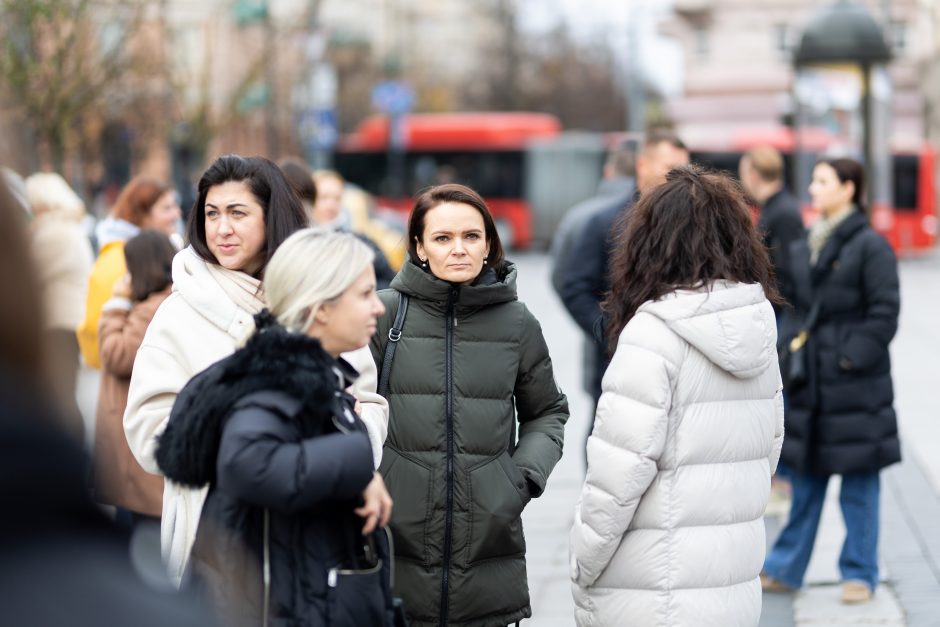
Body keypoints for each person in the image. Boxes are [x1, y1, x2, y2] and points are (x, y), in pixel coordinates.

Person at [123, 155, 390, 586]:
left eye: (237, 213)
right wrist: (254, 449)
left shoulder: (320, 297)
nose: (222, 228)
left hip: (317, 528)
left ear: (273, 215)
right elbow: (147, 430)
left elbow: (369, 401)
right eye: (211, 214)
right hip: (218, 538)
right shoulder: (179, 312)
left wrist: (349, 441)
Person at [569, 166, 785, 627]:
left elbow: (617, 475)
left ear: (650, 242)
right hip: (731, 582)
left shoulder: (653, 332)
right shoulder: (758, 325)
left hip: (651, 586)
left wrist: (582, 563)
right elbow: (770, 449)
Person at [0, 174, 216, 627]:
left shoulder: (145, 299)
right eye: (166, 207)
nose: (176, 213)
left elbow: (106, 347)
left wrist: (117, 308)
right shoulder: (118, 265)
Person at [156, 229, 396, 626]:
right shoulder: (278, 382)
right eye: (365, 294)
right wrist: (356, 462)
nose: (378, 308)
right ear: (321, 307)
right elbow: (248, 462)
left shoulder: (305, 375)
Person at [370, 183, 569, 626]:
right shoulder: (382, 317)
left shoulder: (518, 323)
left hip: (488, 555)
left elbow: (548, 411)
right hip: (393, 549)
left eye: (471, 236)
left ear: (489, 245)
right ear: (419, 247)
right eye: (443, 238)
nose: (458, 249)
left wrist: (518, 480)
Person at [761, 158, 900, 605]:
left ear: (848, 187)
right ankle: (786, 567)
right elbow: (793, 305)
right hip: (812, 382)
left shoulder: (870, 246)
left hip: (855, 385)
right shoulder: (805, 243)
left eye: (822, 181)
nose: (813, 189)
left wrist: (847, 359)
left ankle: (859, 574)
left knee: (859, 484)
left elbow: (884, 314)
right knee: (806, 480)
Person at [558, 128, 689, 462]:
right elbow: (573, 285)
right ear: (642, 164)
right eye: (669, 166)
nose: (678, 177)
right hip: (615, 363)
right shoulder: (605, 222)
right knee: (608, 449)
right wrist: (607, 330)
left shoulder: (694, 226)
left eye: (684, 169)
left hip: (680, 366)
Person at [94, 230, 177, 522]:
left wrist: (116, 304)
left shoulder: (151, 309)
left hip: (137, 465)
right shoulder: (164, 301)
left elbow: (116, 355)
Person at [78, 176, 181, 369]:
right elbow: (98, 339)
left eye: (175, 205)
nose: (177, 214)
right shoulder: (119, 258)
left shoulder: (152, 250)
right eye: (166, 208)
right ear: (143, 215)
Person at [24, 172, 95, 438]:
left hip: (57, 323)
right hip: (69, 321)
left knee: (60, 397)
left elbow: (28, 273)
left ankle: (74, 454)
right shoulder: (69, 227)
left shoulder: (51, 232)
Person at [280, 158, 396, 289]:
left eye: (337, 198)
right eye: (324, 197)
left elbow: (389, 282)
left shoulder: (359, 242)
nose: (331, 205)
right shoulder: (295, 242)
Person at [739, 145, 805, 311]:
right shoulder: (777, 208)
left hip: (782, 309)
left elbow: (788, 270)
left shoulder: (782, 213)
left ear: (753, 175)